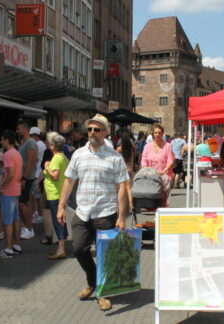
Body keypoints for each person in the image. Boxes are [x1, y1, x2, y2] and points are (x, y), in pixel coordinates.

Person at [57, 114, 129, 312]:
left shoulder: (115, 157)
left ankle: (102, 293)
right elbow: (69, 180)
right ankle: (92, 280)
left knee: (105, 255)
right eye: (89, 129)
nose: (92, 133)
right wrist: (61, 206)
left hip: (105, 212)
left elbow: (122, 187)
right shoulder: (79, 154)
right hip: (83, 211)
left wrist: (122, 216)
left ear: (105, 132)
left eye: (97, 130)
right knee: (79, 249)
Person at [0, 130, 23, 259]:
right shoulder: (17, 153)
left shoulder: (8, 154)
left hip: (9, 191)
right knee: (15, 219)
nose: (1, 142)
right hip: (16, 189)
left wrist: (2, 185)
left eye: (2, 139)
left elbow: (10, 174)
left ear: (7, 140)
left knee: (7, 220)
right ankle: (16, 245)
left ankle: (8, 248)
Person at [42, 134, 69, 259]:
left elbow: (55, 175)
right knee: (60, 221)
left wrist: (47, 167)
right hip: (58, 193)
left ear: (53, 145)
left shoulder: (57, 158)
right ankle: (60, 248)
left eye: (50, 143)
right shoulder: (62, 157)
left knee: (58, 222)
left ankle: (61, 249)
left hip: (56, 195)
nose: (48, 144)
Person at [141, 124, 175, 206]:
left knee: (163, 201)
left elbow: (170, 160)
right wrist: (146, 170)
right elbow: (143, 160)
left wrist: (164, 170)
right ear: (153, 133)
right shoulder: (147, 146)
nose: (157, 134)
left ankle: (162, 216)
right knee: (153, 200)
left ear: (162, 133)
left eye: (159, 133)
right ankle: (156, 215)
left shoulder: (168, 146)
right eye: (155, 133)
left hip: (164, 176)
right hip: (151, 176)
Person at [16, 121, 38, 240]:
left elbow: (31, 162)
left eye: (19, 129)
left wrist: (24, 178)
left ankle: (29, 229)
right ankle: (27, 227)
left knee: (23, 203)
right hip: (24, 177)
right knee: (23, 203)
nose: (17, 131)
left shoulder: (30, 142)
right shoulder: (24, 142)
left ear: (25, 129)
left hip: (27, 178)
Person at [116, 130, 135, 211]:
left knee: (120, 189)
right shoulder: (132, 148)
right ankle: (131, 206)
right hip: (130, 170)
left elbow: (114, 159)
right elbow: (134, 158)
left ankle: (119, 208)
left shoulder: (119, 149)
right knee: (129, 189)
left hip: (121, 171)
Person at [30, 127, 46, 224]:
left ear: (36, 135)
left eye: (31, 135)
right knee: (37, 196)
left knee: (35, 196)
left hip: (37, 173)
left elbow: (33, 159)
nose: (31, 137)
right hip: (39, 172)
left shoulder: (37, 145)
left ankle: (39, 214)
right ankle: (39, 214)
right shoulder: (42, 144)